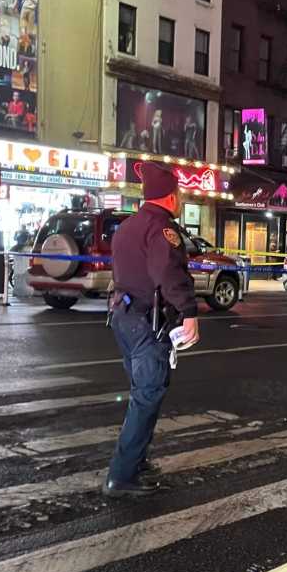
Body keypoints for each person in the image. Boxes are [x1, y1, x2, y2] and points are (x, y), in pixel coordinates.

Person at [105, 162, 199, 498]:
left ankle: (136, 461)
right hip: (147, 321)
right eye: (180, 194)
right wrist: (189, 311)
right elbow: (168, 273)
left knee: (143, 389)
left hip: (123, 316)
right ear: (171, 196)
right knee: (147, 394)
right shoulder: (162, 229)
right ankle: (122, 476)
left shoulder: (128, 226)